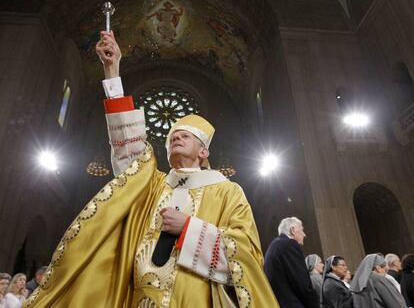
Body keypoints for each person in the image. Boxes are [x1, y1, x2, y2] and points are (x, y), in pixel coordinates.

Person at [22, 30, 279, 308]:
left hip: (194, 299)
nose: (176, 138)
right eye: (171, 138)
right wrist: (112, 71)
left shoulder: (227, 191)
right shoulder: (154, 185)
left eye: (185, 136)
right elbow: (126, 143)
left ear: (204, 151)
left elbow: (247, 257)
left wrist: (189, 229)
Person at [264, 217, 319, 308]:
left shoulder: (275, 245)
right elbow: (302, 283)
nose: (304, 235)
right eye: (302, 230)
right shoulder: (289, 245)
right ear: (292, 230)